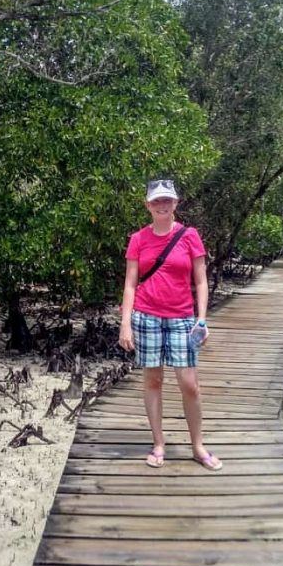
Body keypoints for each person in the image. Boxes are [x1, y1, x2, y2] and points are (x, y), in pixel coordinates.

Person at [118, 179, 221, 470]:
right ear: (147, 205)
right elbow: (130, 285)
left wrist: (202, 319)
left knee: (190, 385)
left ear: (176, 203)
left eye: (167, 200)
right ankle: (159, 443)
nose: (161, 206)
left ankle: (198, 446)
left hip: (182, 319)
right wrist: (125, 323)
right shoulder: (138, 239)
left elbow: (200, 281)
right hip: (146, 316)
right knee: (153, 381)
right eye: (156, 201)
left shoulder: (190, 236)